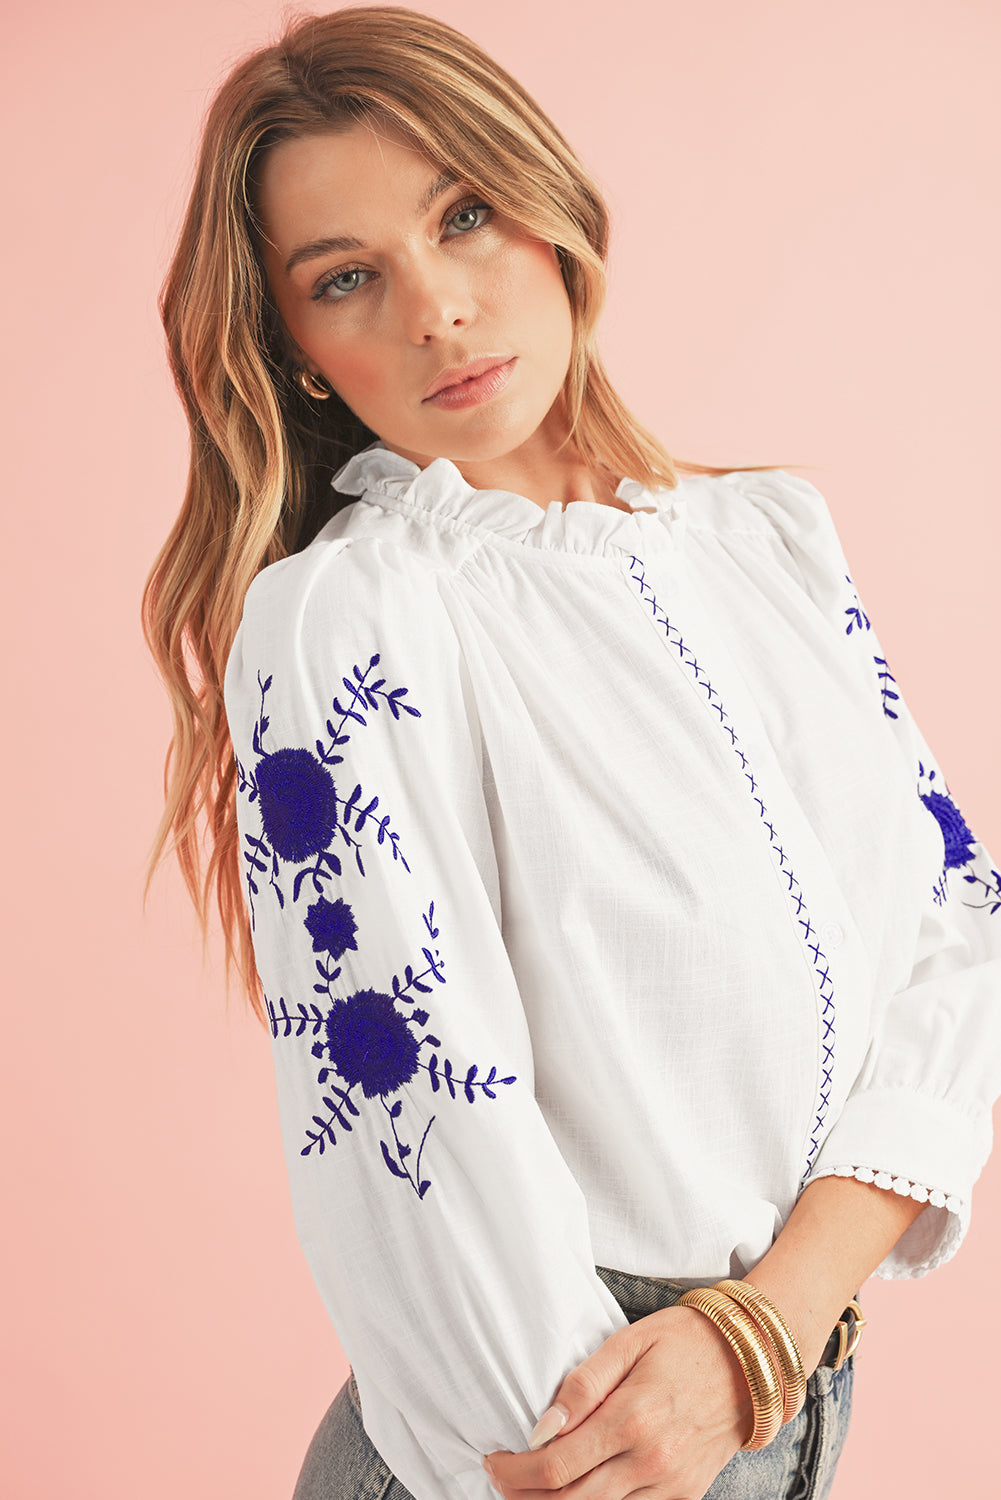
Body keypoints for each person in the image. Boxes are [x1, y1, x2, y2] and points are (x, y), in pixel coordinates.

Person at [142, 8, 1001, 1498]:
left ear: (549, 206)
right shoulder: (345, 618)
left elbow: (959, 939)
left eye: (462, 216)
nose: (437, 310)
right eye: (349, 279)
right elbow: (417, 1143)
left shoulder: (768, 540)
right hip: (555, 1451)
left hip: (759, 1399)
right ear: (297, 352)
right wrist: (669, 1413)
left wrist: (766, 1329)